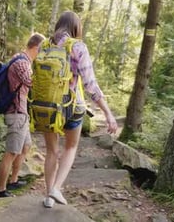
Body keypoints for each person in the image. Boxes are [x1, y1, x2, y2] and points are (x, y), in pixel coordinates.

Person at [40, 11, 118, 208]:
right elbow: (90, 85)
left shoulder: (44, 46)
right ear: (76, 28)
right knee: (71, 147)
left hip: (47, 107)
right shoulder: (78, 47)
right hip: (72, 107)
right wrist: (108, 114)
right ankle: (56, 188)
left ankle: (49, 196)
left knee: (51, 151)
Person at [0, 33, 46, 198]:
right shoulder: (22, 62)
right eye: (42, 50)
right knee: (11, 151)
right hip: (16, 112)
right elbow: (33, 83)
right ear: (36, 48)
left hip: (21, 112)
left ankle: (13, 181)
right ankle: (1, 190)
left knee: (25, 147)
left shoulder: (23, 60)